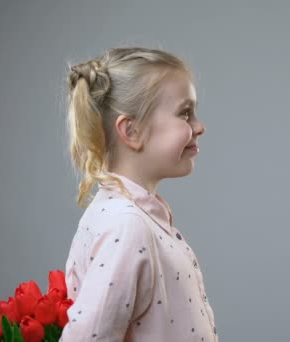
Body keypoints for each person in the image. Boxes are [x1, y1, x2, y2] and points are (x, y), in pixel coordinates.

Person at [60, 47, 217, 341]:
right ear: (131, 131)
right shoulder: (127, 225)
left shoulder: (137, 218)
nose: (199, 126)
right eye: (185, 113)